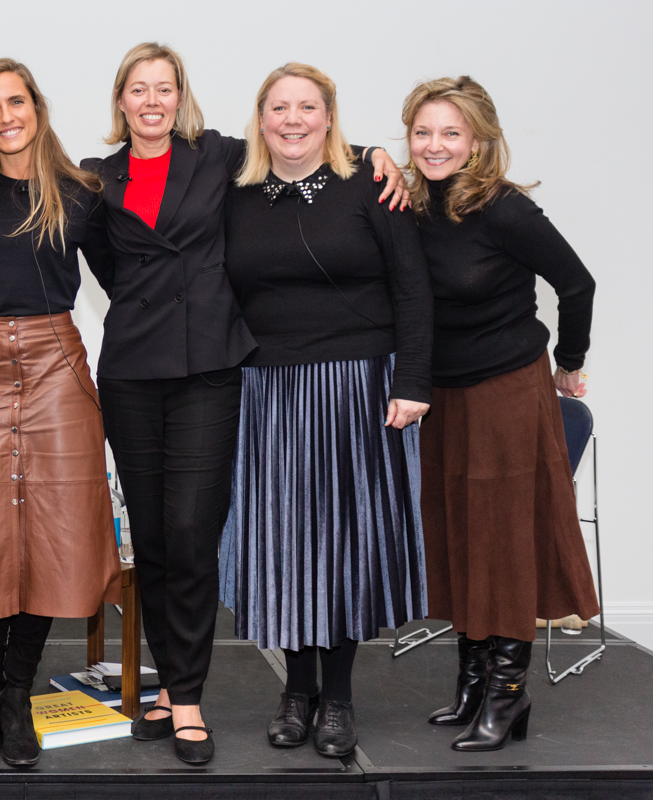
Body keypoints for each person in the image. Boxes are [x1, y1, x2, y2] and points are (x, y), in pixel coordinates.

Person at [82, 43, 408, 765]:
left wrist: (379, 153)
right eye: (138, 89)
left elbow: (304, 144)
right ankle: (170, 684)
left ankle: (189, 695)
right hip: (133, 369)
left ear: (181, 97)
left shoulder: (220, 156)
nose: (152, 100)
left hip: (211, 368)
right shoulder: (95, 177)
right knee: (157, 544)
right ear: (121, 101)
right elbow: (109, 263)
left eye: (164, 88)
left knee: (194, 530)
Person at [220, 62, 432, 759]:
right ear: (260, 119)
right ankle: (296, 689)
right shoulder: (237, 191)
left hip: (357, 386)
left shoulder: (370, 182)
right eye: (278, 108)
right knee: (284, 543)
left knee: (344, 543)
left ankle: (337, 697)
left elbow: (412, 288)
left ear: (329, 117)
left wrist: (413, 380)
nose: (292, 120)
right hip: (268, 388)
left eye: (307, 108)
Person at [403, 76, 599, 752]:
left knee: (505, 541)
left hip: (508, 391)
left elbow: (577, 283)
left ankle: (508, 695)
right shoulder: (407, 204)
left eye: (450, 133)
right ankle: (473, 681)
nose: (435, 145)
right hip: (444, 398)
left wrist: (569, 362)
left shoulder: (505, 209)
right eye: (422, 132)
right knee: (458, 534)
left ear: (480, 140)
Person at [0, 58, 122, 769]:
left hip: (54, 360)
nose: (7, 115)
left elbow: (130, 280)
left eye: (17, 101)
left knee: (50, 533)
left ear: (37, 109)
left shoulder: (80, 192)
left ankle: (16, 695)